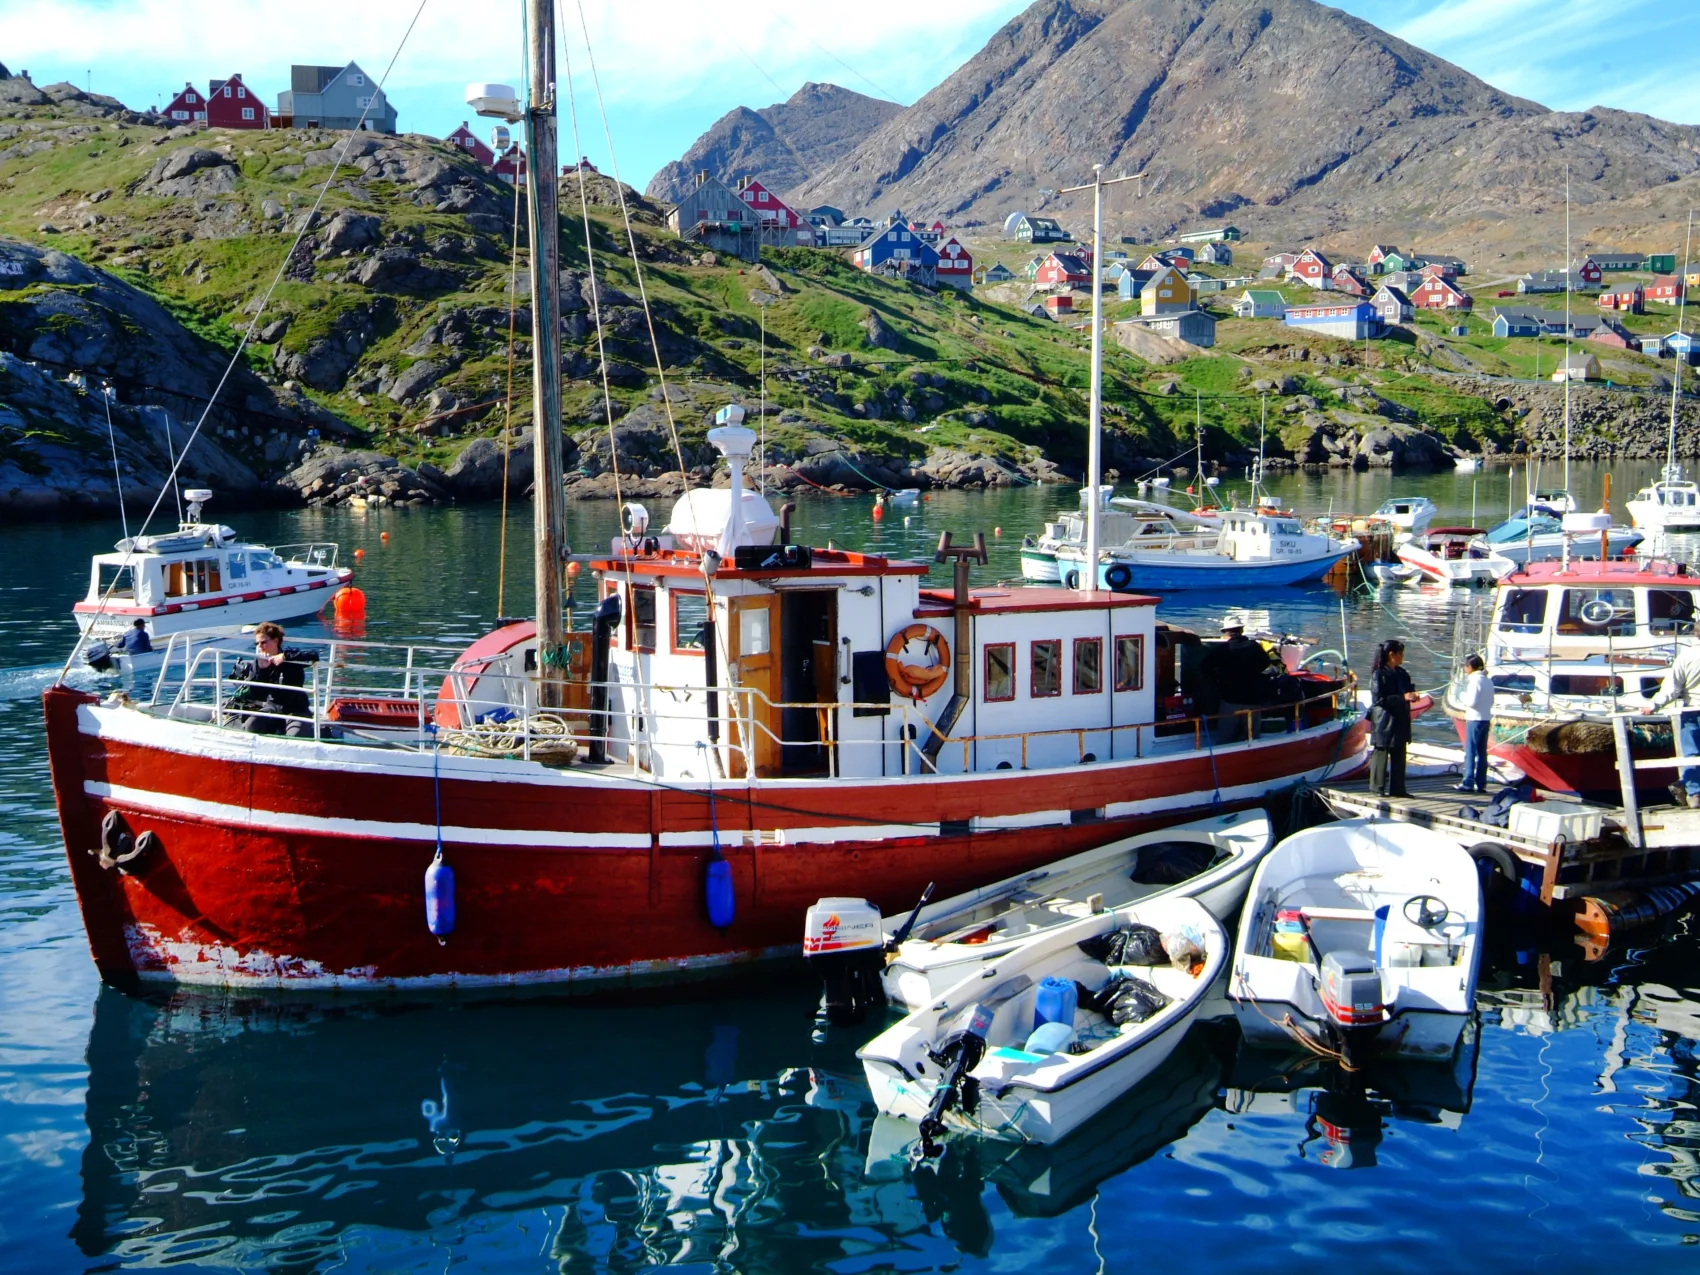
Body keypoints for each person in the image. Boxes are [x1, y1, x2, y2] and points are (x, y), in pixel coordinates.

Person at [228, 622, 319, 736]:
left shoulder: (290, 656)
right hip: (273, 706)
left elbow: (314, 656)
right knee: (250, 726)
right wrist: (262, 670)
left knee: (295, 735)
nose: (260, 647)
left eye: (263, 642)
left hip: (296, 708)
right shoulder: (258, 662)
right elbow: (256, 694)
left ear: (275, 641)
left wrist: (285, 656)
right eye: (257, 643)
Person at [1642, 642, 1700, 806]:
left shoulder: (1687, 656)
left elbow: (1672, 688)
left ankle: (1695, 794)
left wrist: (1653, 705)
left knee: (1692, 754)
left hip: (1693, 710)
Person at [1201, 621, 1280, 742]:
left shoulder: (1222, 649)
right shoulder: (1254, 646)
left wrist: (1217, 679)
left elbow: (1204, 668)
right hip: (1253, 698)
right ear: (1241, 630)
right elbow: (1265, 664)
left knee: (1226, 737)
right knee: (1251, 737)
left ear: (1226, 633)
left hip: (1230, 699)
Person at [1368, 639, 1419, 798]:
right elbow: (1379, 699)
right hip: (1384, 719)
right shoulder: (1379, 674)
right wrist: (1403, 697)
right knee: (1381, 752)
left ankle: (1398, 788)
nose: (1403, 656)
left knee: (1399, 753)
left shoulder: (1402, 673)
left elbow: (1408, 690)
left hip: (1400, 718)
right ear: (1392, 654)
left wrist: (1413, 695)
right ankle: (1377, 787)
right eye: (1400, 653)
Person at [1455, 653, 1494, 794]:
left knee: (1470, 751)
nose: (1465, 670)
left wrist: (1461, 695)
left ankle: (1468, 782)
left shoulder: (1475, 681)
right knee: (1482, 752)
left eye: (1466, 667)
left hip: (1474, 719)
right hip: (1485, 718)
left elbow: (1471, 702)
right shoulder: (1487, 680)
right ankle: (1481, 782)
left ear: (1470, 667)